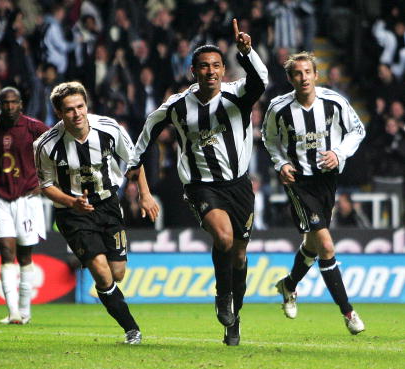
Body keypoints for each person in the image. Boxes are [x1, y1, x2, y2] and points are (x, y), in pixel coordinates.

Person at [127, 19, 268, 346]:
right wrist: (142, 189)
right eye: (204, 66)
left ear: (223, 69)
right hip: (201, 187)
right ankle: (222, 296)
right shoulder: (176, 106)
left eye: (217, 66)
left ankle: (234, 319)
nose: (211, 72)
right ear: (193, 71)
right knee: (224, 236)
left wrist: (247, 54)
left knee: (241, 256)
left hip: (239, 185)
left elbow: (261, 82)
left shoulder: (237, 97)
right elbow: (144, 141)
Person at [34, 81, 159, 344]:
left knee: (117, 272)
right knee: (102, 273)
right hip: (73, 212)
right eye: (69, 109)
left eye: (80, 106)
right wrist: (71, 201)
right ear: (59, 113)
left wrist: (145, 195)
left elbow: (135, 161)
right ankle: (131, 329)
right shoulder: (45, 145)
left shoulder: (110, 129)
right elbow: (45, 185)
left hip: (108, 205)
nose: (77, 113)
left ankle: (98, 272)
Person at [262, 51, 366, 335]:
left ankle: (289, 285)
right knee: (326, 246)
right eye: (297, 73)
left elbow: (357, 131)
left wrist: (338, 153)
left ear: (316, 75)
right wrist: (281, 163)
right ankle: (349, 313)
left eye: (308, 72)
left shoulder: (334, 101)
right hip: (298, 182)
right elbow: (268, 139)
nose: (303, 77)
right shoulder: (278, 108)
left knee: (311, 244)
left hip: (326, 182)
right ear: (290, 78)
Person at [0, 87, 48, 325]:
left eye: (14, 102)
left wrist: (45, 182)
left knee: (25, 255)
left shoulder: (34, 127)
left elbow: (56, 151)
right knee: (6, 253)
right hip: (1, 198)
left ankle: (25, 311)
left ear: (21, 104)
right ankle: (13, 312)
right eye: (5, 103)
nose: (10, 107)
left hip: (27, 199)